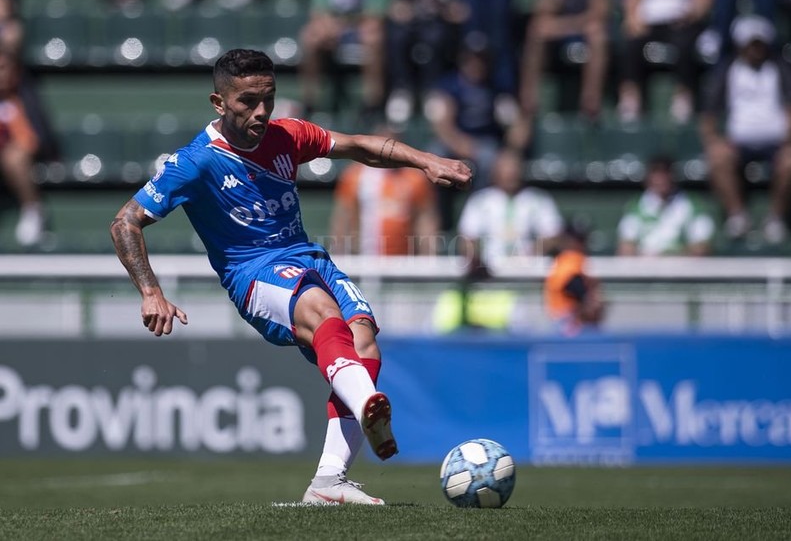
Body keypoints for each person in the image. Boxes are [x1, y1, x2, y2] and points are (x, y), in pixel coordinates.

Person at [109, 49, 472, 504]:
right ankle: (366, 407)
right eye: (247, 102)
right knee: (323, 315)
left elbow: (359, 145)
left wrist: (426, 161)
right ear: (218, 103)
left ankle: (328, 483)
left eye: (269, 99)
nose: (261, 112)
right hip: (254, 273)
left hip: (308, 257)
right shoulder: (195, 162)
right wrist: (151, 292)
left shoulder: (287, 136)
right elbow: (125, 222)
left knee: (363, 343)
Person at [700, 15, 791, 243]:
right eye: (751, 44)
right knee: (717, 158)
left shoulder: (780, 69)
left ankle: (776, 218)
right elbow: (709, 114)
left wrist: (789, 142)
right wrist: (713, 139)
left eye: (760, 44)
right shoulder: (727, 70)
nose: (756, 49)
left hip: (775, 142)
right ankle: (737, 216)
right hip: (739, 141)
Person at [618, 0, 713, 124]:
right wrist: (633, 20)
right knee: (631, 43)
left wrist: (691, 14)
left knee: (684, 44)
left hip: (682, 23)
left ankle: (683, 95)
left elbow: (703, 0)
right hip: (650, 24)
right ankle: (631, 97)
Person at [299, 0, 393, 117]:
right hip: (335, 29)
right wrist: (331, 28)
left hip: (361, 30)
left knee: (374, 38)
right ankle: (310, 101)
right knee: (310, 37)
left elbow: (375, 17)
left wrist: (345, 24)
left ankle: (373, 102)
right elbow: (318, 14)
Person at [518, 0, 610, 121]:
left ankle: (590, 102)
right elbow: (544, 14)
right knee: (537, 31)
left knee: (597, 35)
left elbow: (599, 12)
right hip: (562, 30)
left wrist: (567, 25)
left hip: (582, 29)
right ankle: (529, 100)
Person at [330, 125, 441, 255]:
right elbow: (343, 218)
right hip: (365, 260)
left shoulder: (415, 178)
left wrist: (428, 258)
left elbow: (425, 220)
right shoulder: (354, 176)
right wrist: (339, 254)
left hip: (403, 261)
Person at [456, 152, 563, 268]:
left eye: (514, 168)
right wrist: (476, 258)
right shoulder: (479, 201)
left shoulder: (539, 199)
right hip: (488, 269)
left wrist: (529, 255)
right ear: (495, 172)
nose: (511, 174)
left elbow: (553, 236)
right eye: (506, 169)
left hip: (530, 268)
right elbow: (467, 238)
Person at [617, 155, 715, 256]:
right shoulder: (635, 206)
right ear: (648, 178)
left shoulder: (693, 205)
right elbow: (625, 248)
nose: (662, 179)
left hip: (682, 268)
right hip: (645, 268)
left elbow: (701, 248)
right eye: (656, 173)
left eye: (666, 173)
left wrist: (668, 258)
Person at [0, 50, 42, 248]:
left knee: (14, 157)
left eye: (3, 68)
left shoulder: (22, 100)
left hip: (13, 159)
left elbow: (31, 140)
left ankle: (32, 210)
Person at [544, 219, 604, 336]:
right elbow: (573, 286)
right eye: (577, 240)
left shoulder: (565, 260)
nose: (580, 244)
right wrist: (590, 300)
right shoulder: (569, 260)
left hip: (566, 320)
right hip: (569, 321)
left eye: (581, 240)